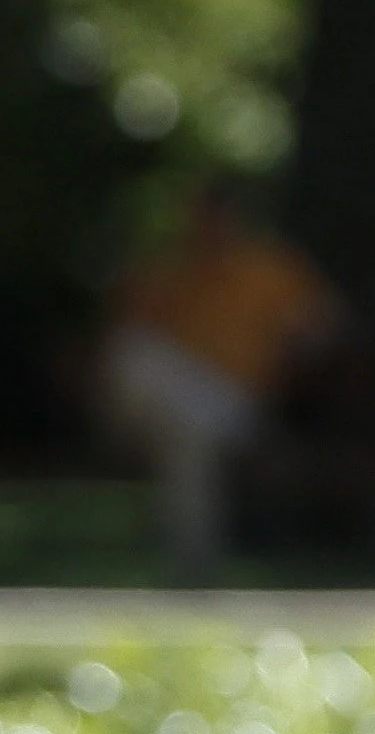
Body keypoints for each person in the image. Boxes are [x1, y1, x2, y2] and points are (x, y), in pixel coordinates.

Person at [96, 185, 341, 575]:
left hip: (238, 406)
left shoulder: (269, 269)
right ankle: (194, 563)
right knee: (178, 419)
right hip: (179, 412)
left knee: (169, 405)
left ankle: (192, 562)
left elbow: (324, 326)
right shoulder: (167, 270)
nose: (207, 227)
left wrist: (290, 353)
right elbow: (122, 331)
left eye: (215, 217)